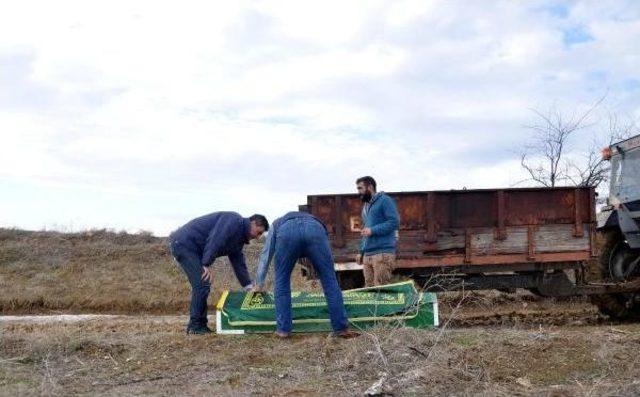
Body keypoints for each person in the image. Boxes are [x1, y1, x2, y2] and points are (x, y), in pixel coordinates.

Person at [253, 211, 359, 338]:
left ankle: (283, 330)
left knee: (282, 280)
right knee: (330, 280)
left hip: (287, 233)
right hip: (315, 229)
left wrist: (258, 283)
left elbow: (266, 255)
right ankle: (341, 328)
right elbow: (325, 244)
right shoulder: (315, 221)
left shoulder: (276, 224)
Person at [169, 212, 269, 334]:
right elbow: (216, 239)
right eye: (258, 233)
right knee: (202, 283)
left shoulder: (238, 239)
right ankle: (195, 327)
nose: (258, 237)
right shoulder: (233, 221)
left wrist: (248, 286)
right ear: (253, 223)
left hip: (192, 248)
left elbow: (238, 262)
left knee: (203, 284)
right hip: (183, 244)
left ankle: (201, 325)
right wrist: (205, 263)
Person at [356, 176, 400, 287]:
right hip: (368, 255)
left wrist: (372, 230)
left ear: (370, 187)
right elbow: (366, 231)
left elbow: (394, 222)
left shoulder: (385, 200)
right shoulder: (365, 207)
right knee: (369, 291)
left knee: (381, 291)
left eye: (360, 188)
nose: (358, 192)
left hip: (382, 253)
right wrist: (361, 251)